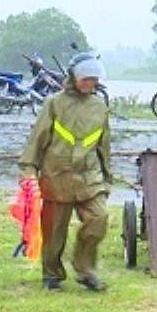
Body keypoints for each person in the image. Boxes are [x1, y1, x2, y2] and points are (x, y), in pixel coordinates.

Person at [19, 51, 113, 292]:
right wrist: (29, 170)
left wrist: (107, 178)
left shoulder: (100, 107)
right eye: (85, 79)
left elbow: (103, 146)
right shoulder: (54, 103)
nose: (90, 83)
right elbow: (36, 140)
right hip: (56, 176)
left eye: (93, 79)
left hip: (89, 178)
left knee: (99, 219)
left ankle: (85, 269)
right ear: (73, 76)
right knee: (53, 232)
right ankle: (52, 274)